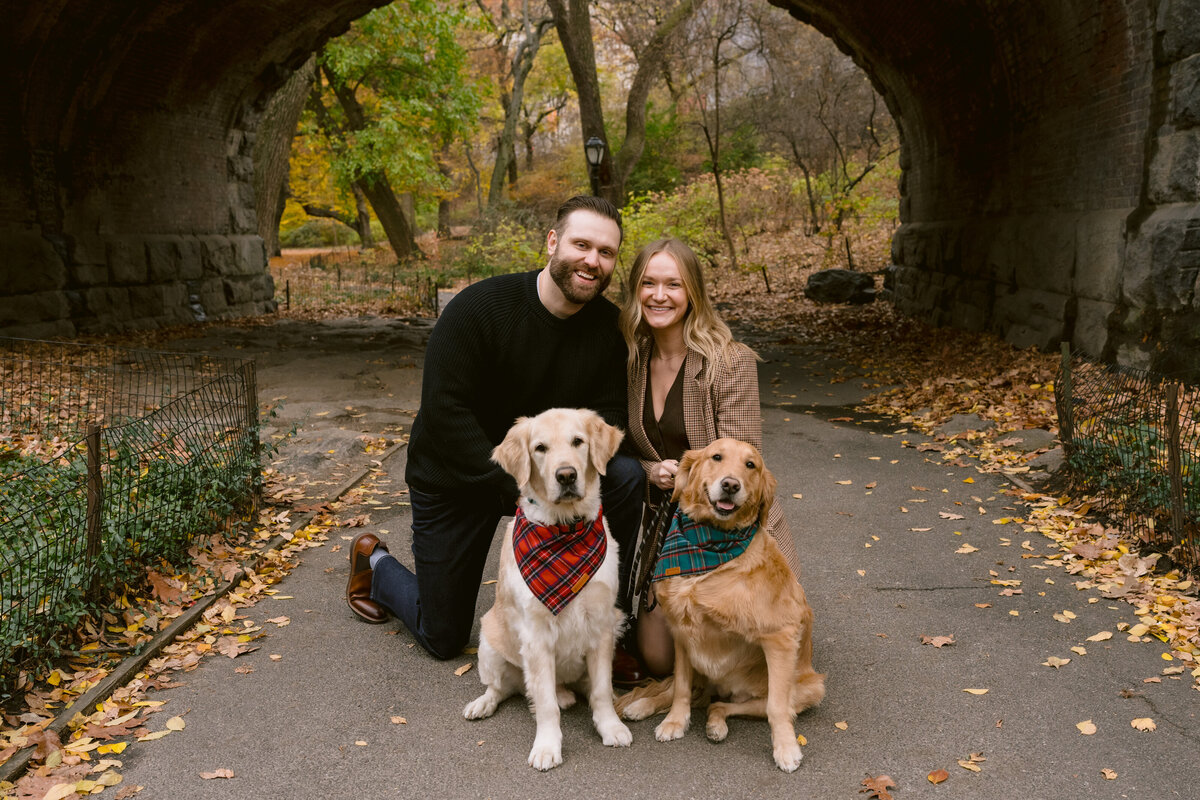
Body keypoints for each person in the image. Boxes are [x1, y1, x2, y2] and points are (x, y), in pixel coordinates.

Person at [346, 196, 646, 683]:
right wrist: (520, 485)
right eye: (582, 244)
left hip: (549, 479)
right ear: (553, 242)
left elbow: (609, 414)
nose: (593, 261)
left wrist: (557, 478)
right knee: (442, 636)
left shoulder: (607, 332)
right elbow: (445, 412)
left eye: (607, 252)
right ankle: (375, 565)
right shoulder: (479, 309)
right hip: (457, 478)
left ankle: (612, 632)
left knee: (626, 476)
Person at [617, 237, 803, 676]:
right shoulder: (631, 357)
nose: (659, 295)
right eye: (648, 283)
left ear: (693, 293)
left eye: (673, 285)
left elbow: (739, 466)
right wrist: (650, 470)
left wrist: (688, 478)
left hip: (723, 521)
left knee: (736, 645)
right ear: (635, 290)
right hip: (665, 521)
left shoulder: (729, 361)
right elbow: (626, 443)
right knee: (659, 660)